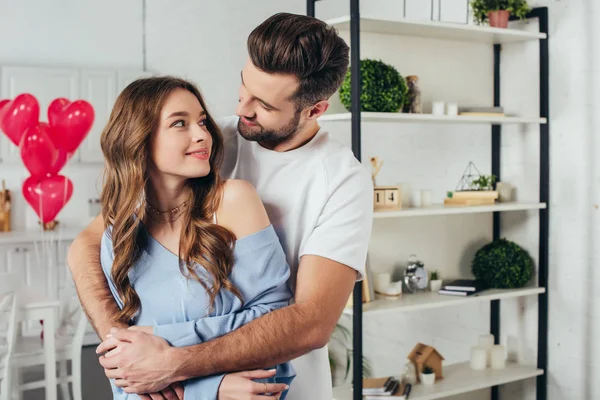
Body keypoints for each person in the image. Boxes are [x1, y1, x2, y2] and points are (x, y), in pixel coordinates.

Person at [68, 12, 373, 400]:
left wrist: (171, 362)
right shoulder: (209, 141)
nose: (242, 108)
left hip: (274, 386)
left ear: (314, 110)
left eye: (262, 104)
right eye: (243, 87)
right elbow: (87, 246)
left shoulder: (342, 181)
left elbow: (309, 323)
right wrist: (125, 346)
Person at [98, 76, 295, 399]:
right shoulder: (118, 234)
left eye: (202, 122)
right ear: (139, 138)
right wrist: (211, 388)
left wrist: (162, 340)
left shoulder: (233, 202)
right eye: (180, 123)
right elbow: (128, 371)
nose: (201, 134)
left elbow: (275, 325)